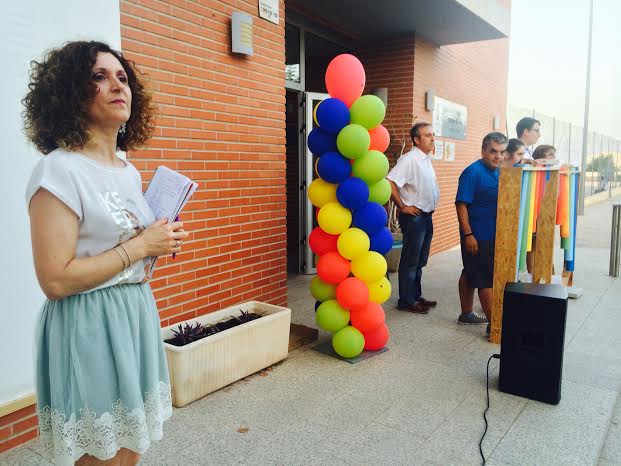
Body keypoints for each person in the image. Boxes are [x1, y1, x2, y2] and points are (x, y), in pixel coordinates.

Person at [23, 41, 189, 466]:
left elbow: (125, 250)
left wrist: (158, 242)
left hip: (134, 314)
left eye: (122, 77)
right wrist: (139, 246)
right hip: (89, 326)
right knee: (102, 456)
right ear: (69, 92)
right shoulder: (59, 170)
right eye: (99, 76)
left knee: (130, 450)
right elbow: (55, 279)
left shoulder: (128, 171)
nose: (117, 85)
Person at [455, 132, 508, 334]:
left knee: (470, 272)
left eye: (502, 152)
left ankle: (466, 314)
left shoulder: (499, 171)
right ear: (483, 151)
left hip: (493, 235)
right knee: (486, 279)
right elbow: (461, 205)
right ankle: (495, 327)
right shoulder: (473, 172)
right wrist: (468, 235)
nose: (498, 156)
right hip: (477, 236)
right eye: (493, 151)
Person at [387, 122, 440, 314]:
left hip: (426, 217)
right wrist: (402, 206)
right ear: (416, 140)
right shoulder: (409, 159)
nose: (432, 139)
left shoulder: (425, 159)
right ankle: (406, 301)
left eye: (433, 135)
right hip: (414, 218)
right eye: (428, 135)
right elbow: (390, 181)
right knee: (411, 260)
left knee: (420, 260)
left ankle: (416, 296)